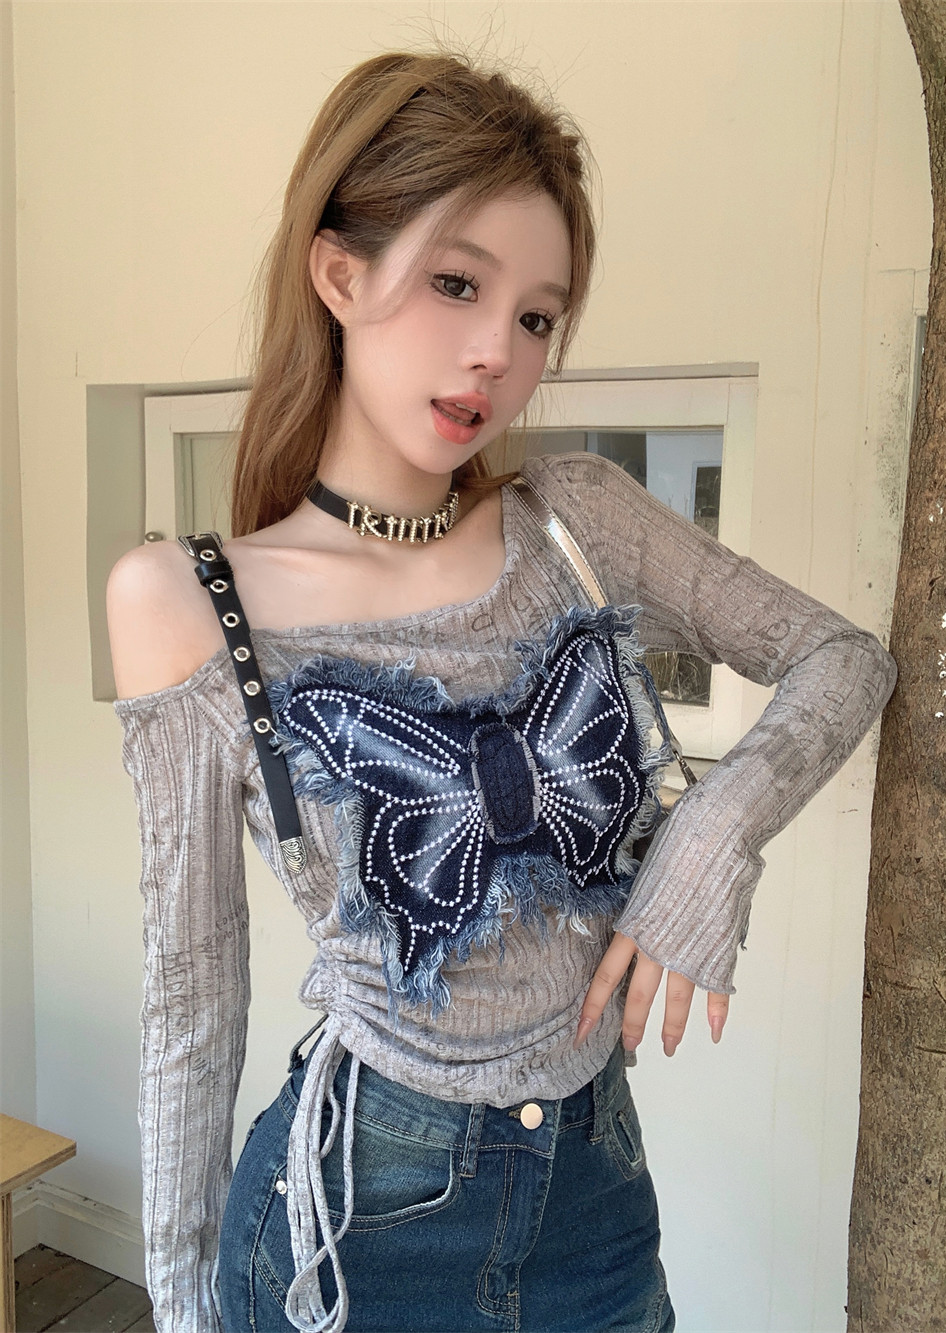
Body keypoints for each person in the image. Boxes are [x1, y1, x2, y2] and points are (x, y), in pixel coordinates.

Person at [106, 49, 896, 1333]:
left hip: (595, 1198)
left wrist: (711, 837)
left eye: (536, 317)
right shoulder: (189, 602)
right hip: (353, 1223)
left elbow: (844, 658)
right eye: (457, 283)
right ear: (338, 274)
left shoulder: (576, 520)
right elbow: (190, 1006)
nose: (495, 353)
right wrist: (181, 1311)